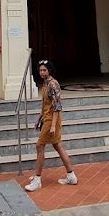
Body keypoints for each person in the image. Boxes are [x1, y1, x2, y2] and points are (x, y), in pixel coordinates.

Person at [25, 59, 77, 190]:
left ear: (49, 70)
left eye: (44, 70)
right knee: (58, 145)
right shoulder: (45, 83)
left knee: (39, 146)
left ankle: (37, 180)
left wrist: (53, 125)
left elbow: (56, 106)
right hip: (46, 117)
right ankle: (71, 176)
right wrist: (39, 118)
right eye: (40, 70)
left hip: (52, 119)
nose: (42, 72)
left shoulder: (53, 84)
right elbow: (45, 105)